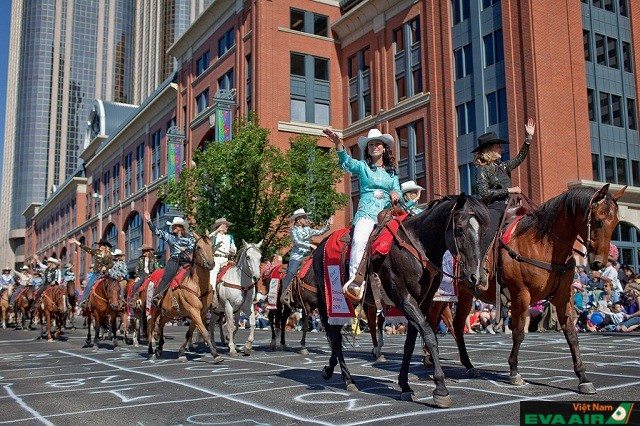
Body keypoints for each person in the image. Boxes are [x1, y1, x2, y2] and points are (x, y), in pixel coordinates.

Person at [323, 127, 401, 301]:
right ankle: (355, 283)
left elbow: (397, 189)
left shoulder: (392, 172)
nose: (374, 147)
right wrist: (338, 143)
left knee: (402, 241)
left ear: (384, 148)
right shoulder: (363, 166)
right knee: (359, 240)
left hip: (387, 213)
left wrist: (397, 194)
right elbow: (347, 163)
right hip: (367, 213)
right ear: (368, 148)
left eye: (378, 144)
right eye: (371, 144)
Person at [474, 118, 536, 255]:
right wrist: (509, 190)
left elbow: (519, 158)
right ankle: (479, 265)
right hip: (494, 208)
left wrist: (528, 138)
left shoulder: (502, 166)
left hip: (510, 205)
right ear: (489, 150)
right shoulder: (482, 169)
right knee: (488, 234)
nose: (501, 149)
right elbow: (484, 193)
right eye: (498, 146)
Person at [280, 208, 332, 307]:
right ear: (298, 219)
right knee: (291, 272)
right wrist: (310, 245)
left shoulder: (307, 229)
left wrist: (327, 225)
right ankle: (284, 293)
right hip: (297, 256)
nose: (306, 219)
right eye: (304, 217)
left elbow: (320, 232)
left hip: (308, 256)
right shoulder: (293, 230)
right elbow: (297, 242)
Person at [144, 212, 195, 307]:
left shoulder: (189, 238)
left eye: (175, 226)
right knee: (168, 274)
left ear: (181, 227)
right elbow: (157, 232)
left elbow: (194, 246)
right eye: (172, 226)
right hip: (175, 260)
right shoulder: (169, 236)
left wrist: (186, 249)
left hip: (187, 260)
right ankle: (157, 295)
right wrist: (149, 221)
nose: (173, 228)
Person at [70, 237, 114, 308]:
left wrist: (106, 267)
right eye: (99, 245)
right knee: (89, 286)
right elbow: (86, 249)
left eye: (101, 245)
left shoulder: (109, 255)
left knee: (114, 285)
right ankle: (83, 300)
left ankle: (117, 300)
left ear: (105, 247)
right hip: (96, 274)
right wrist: (76, 242)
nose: (99, 246)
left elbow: (111, 264)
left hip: (105, 274)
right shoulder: (96, 252)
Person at [208, 217, 236, 288]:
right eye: (225, 226)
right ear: (220, 226)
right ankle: (212, 290)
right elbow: (208, 238)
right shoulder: (215, 236)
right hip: (216, 259)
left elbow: (234, 248)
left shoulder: (229, 237)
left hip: (226, 260)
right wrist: (217, 230)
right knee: (213, 273)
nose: (227, 227)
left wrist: (233, 250)